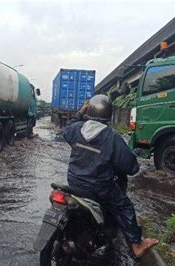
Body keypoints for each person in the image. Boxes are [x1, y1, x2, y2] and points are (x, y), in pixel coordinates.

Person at [62, 95, 159, 258]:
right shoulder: (112, 137)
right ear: (109, 115)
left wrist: (80, 112)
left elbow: (67, 129)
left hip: (73, 183)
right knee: (125, 206)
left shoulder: (76, 128)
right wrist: (135, 164)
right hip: (98, 188)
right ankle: (137, 246)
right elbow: (131, 167)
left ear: (89, 110)